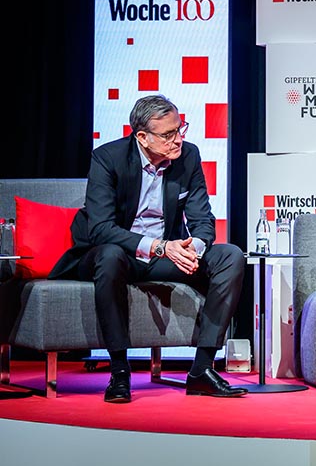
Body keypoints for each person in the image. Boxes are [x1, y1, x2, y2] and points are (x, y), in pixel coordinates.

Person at [49, 94, 247, 403]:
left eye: (180, 129)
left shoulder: (188, 156)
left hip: (165, 254)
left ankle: (202, 370)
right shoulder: (108, 158)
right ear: (142, 137)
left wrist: (191, 248)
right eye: (168, 135)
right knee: (110, 256)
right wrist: (159, 247)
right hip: (117, 253)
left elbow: (203, 220)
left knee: (230, 256)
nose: (178, 139)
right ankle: (119, 372)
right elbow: (100, 228)